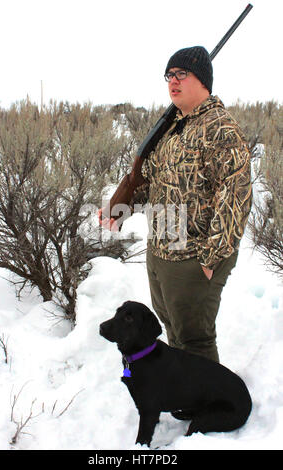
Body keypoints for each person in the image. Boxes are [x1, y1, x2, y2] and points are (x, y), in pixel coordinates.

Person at [101, 46, 252, 363]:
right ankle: (188, 395)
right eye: (169, 75)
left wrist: (212, 258)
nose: (173, 80)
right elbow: (150, 180)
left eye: (182, 73)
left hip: (193, 257)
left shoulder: (219, 128)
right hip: (161, 252)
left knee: (194, 338)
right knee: (172, 329)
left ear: (203, 80)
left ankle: (210, 405)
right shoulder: (173, 127)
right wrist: (119, 209)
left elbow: (234, 195)